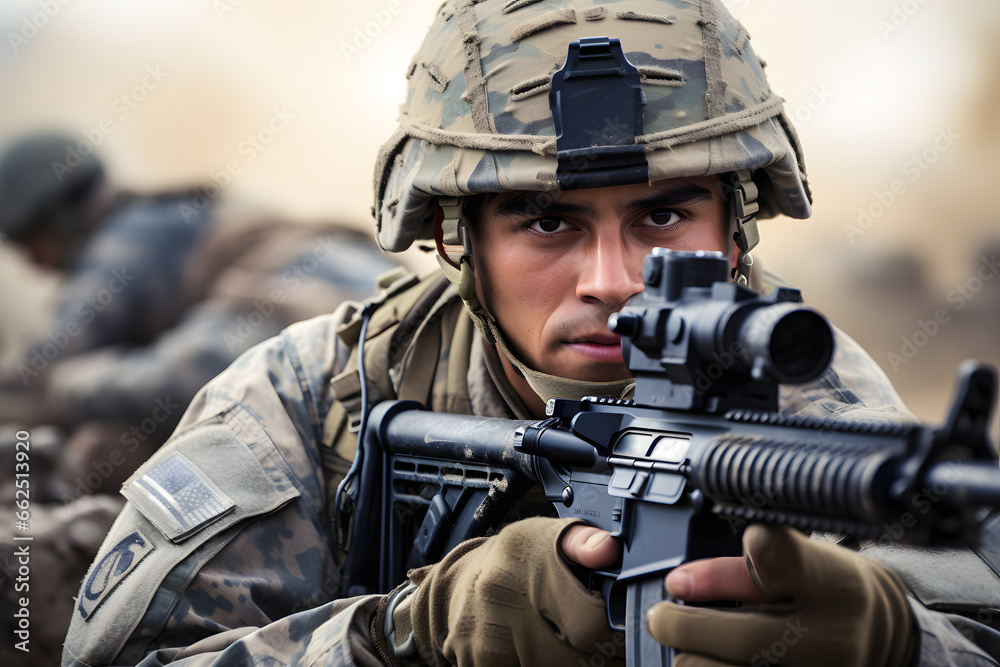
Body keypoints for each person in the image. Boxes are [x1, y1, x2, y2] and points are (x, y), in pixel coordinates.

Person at [62, 1, 1000, 665]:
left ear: (736, 225)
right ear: (456, 239)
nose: (614, 283)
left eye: (665, 216)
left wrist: (899, 642)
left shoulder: (810, 394)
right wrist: (409, 632)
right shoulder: (323, 392)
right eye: (548, 223)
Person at [0, 133, 399, 491]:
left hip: (304, 307)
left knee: (143, 391)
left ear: (58, 218)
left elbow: (43, 366)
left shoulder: (131, 233)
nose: (30, 262)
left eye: (27, 241)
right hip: (379, 321)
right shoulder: (169, 213)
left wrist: (64, 387)